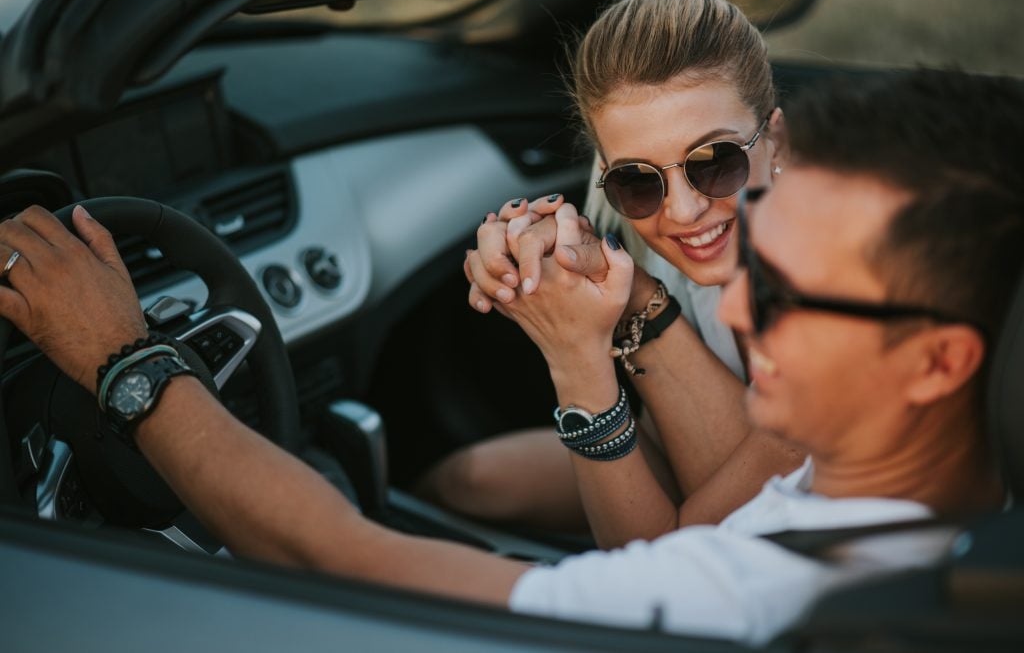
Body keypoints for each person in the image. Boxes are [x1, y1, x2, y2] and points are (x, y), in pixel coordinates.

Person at [1, 69, 1017, 645]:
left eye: (790, 293)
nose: (738, 304)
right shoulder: (927, 495)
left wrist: (122, 357)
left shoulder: (764, 598)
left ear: (938, 363)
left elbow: (335, 560)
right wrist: (614, 326)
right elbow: (666, 541)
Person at [416, 0, 805, 543]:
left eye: (717, 162)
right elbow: (677, 457)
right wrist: (552, 255)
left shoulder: (839, 297)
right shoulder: (671, 244)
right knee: (470, 481)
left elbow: (666, 559)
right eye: (637, 180)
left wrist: (583, 354)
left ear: (778, 142)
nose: (684, 211)